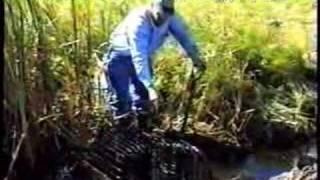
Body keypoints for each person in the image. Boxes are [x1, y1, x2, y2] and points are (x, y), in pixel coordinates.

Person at [103, 0, 206, 130]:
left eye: (168, 13)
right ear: (152, 6)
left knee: (143, 97)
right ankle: (122, 131)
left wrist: (197, 60)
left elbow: (185, 38)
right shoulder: (138, 21)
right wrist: (150, 87)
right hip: (120, 57)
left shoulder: (171, 17)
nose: (164, 18)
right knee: (122, 98)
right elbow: (138, 55)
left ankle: (143, 130)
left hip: (144, 57)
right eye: (161, 13)